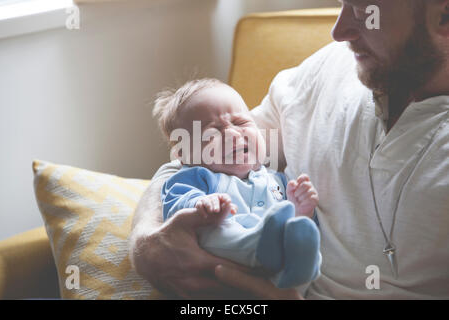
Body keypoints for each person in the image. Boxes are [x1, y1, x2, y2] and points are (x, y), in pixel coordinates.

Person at [130, 0, 449, 299]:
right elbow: (197, 156)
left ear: (443, 17)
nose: (338, 32)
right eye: (342, 4)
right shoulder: (338, 61)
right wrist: (146, 240)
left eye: (365, 10)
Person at [153, 78, 321, 289]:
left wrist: (302, 209)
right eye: (211, 133)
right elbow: (175, 201)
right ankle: (265, 249)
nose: (232, 134)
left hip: (281, 282)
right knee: (219, 231)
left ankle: (300, 267)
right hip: (228, 272)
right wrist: (201, 204)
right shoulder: (198, 177)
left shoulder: (277, 180)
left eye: (241, 123)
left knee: (298, 227)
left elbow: (294, 218)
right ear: (183, 155)